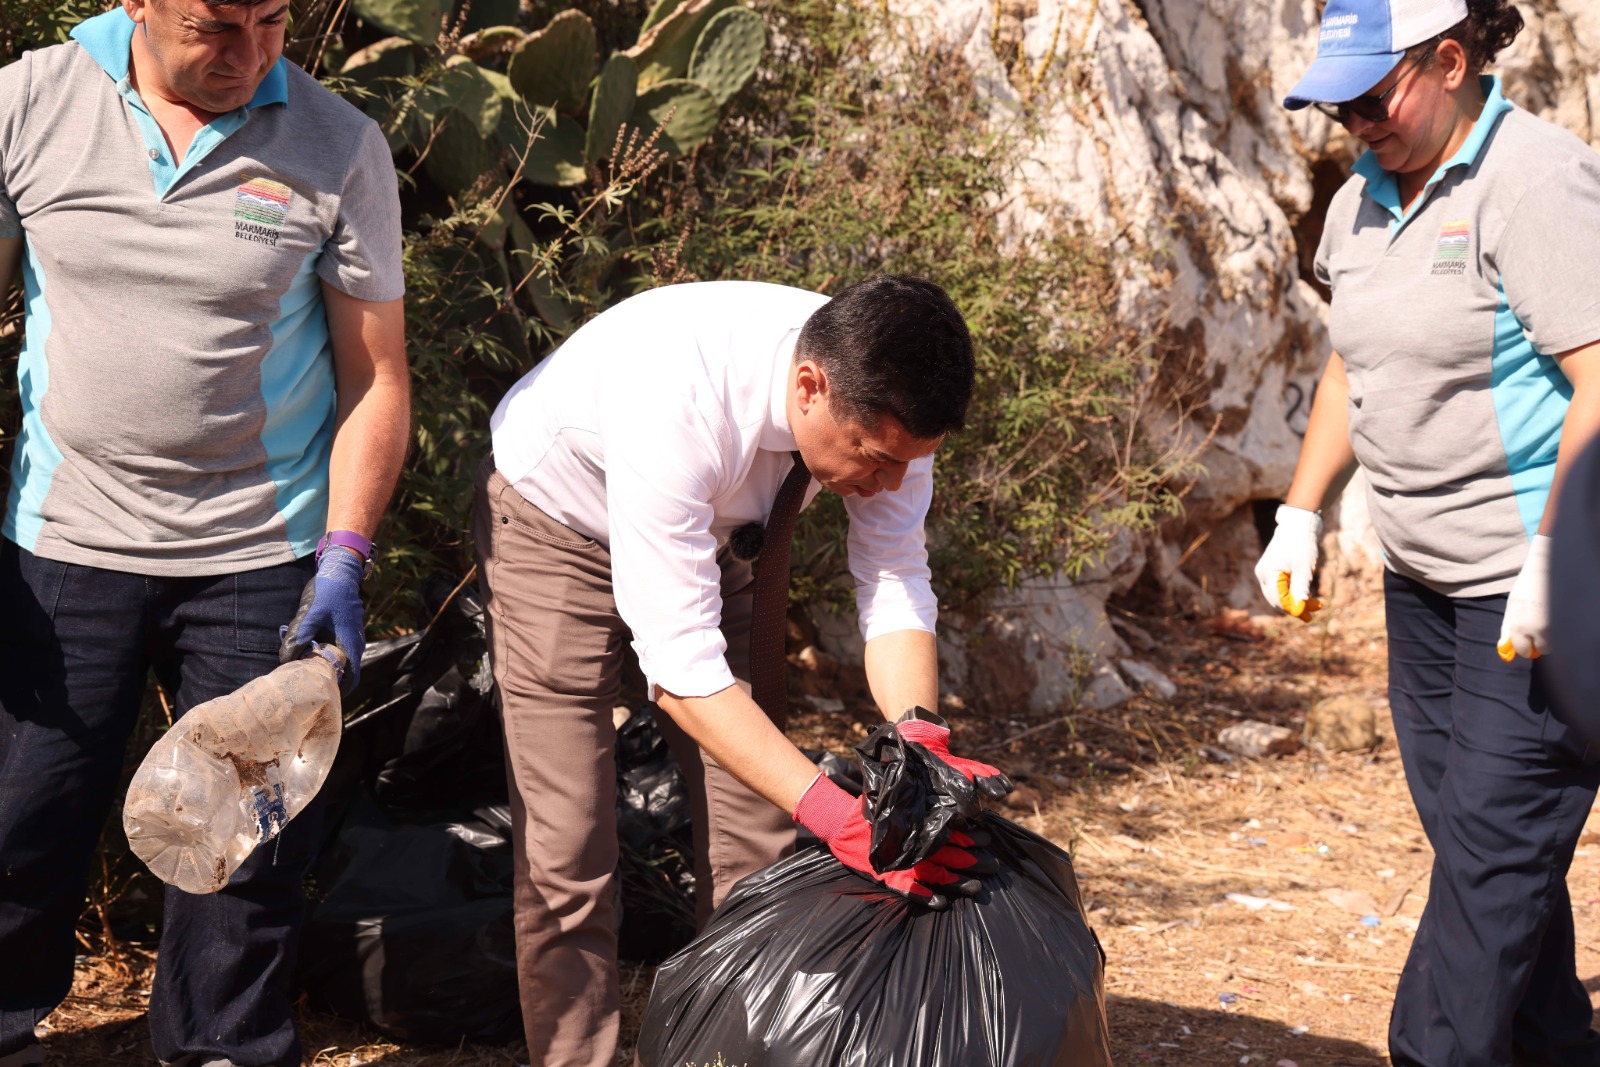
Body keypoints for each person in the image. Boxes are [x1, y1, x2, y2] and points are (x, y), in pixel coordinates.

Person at [0, 0, 408, 1062]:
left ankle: (223, 1044)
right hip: (61, 538)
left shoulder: (336, 143)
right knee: (19, 817)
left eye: (274, 20)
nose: (254, 55)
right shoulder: (30, 102)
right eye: (216, 25)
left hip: (258, 551)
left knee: (243, 847)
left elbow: (375, 374)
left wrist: (346, 553)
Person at [474, 276, 1010, 1067]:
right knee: (570, 844)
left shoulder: (885, 402)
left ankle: (731, 1049)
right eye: (875, 457)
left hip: (711, 534)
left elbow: (895, 574)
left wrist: (918, 735)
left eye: (910, 462)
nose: (890, 481)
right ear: (809, 387)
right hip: (556, 527)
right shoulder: (678, 398)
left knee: (755, 829)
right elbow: (682, 669)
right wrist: (834, 813)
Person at [1256, 0, 1600, 1062]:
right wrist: (1299, 513)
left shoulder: (1534, 179)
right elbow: (1351, 357)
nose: (1356, 121)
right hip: (1424, 582)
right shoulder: (1360, 197)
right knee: (1477, 850)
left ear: (1450, 61)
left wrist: (1556, 556)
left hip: (1540, 587)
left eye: (1373, 96)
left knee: (1489, 859)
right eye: (1339, 104)